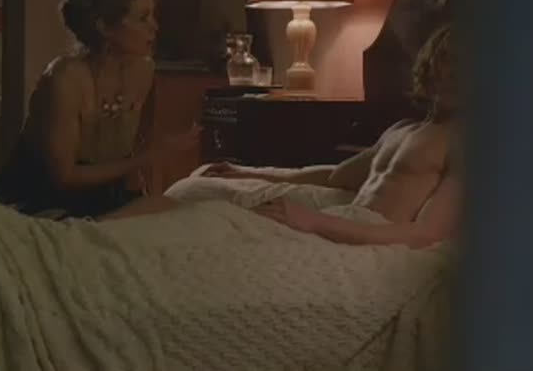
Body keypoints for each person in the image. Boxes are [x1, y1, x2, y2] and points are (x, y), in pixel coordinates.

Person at [108, 24, 463, 250]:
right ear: (430, 64)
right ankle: (91, 238)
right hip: (340, 219)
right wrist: (248, 172)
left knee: (210, 224)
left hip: (354, 238)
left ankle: (95, 246)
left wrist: (315, 221)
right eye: (446, 60)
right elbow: (336, 176)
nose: (451, 74)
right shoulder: (403, 129)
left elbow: (426, 234)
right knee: (193, 203)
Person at [0, 0, 199, 219]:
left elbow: (126, 162)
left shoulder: (143, 70)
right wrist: (150, 156)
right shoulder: (66, 79)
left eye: (153, 15)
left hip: (102, 198)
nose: (154, 27)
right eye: (142, 18)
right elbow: (65, 176)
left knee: (171, 209)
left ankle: (98, 227)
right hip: (40, 198)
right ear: (104, 27)